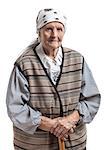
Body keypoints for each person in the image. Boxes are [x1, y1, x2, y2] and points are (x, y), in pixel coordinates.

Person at [6, 8, 101, 150]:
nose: (54, 34)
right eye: (48, 29)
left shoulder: (77, 59)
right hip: (34, 145)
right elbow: (15, 108)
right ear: (39, 31)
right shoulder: (24, 64)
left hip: (74, 144)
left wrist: (70, 120)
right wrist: (51, 125)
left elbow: (91, 99)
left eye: (59, 29)